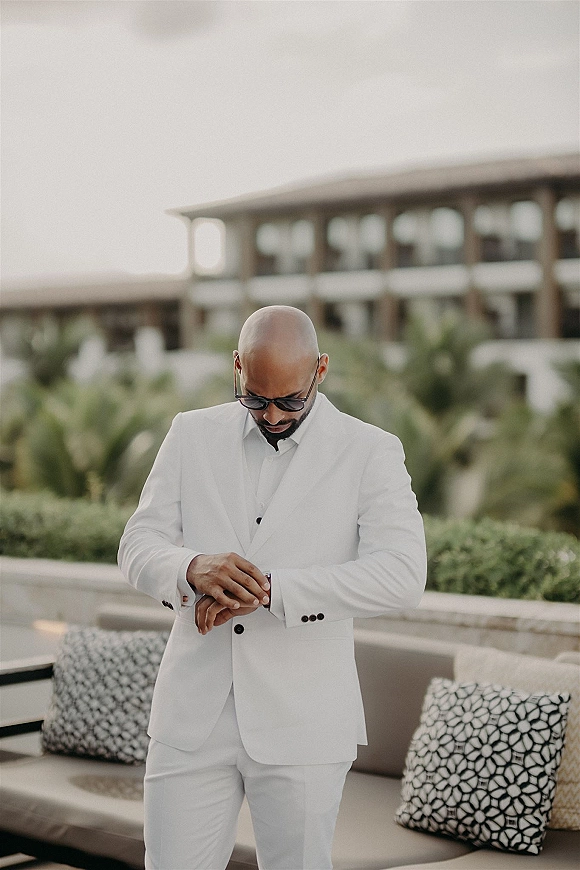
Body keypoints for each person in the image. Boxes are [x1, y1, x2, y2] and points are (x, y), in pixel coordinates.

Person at [118, 305, 426, 870]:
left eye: (290, 400)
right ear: (237, 367)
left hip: (304, 723)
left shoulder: (370, 450)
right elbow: (137, 544)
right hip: (191, 719)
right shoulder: (190, 434)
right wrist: (191, 568)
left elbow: (403, 574)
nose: (274, 415)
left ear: (320, 370)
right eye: (256, 398)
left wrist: (272, 591)